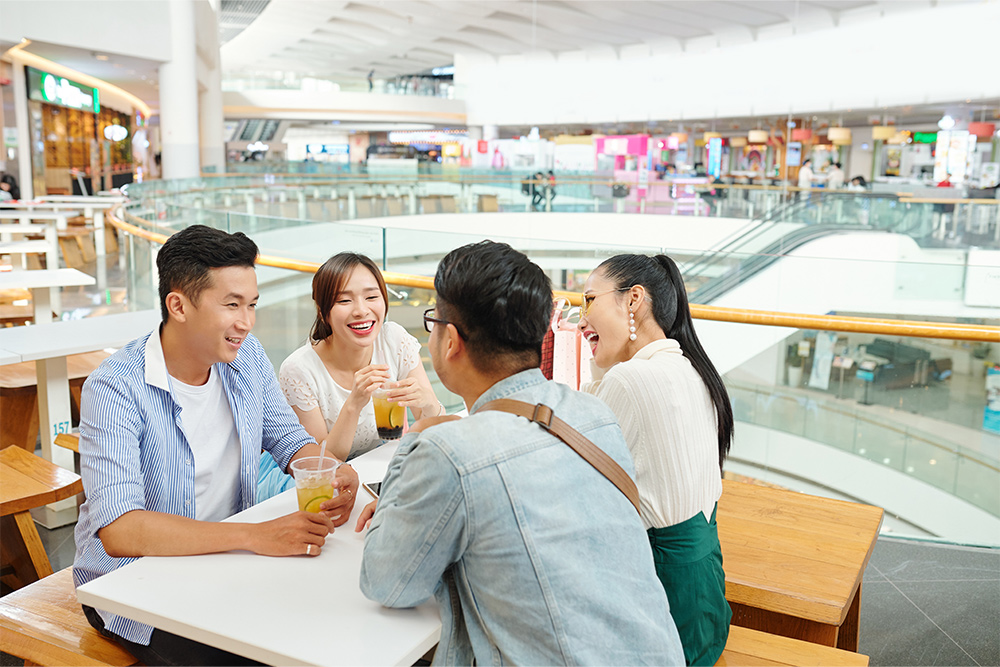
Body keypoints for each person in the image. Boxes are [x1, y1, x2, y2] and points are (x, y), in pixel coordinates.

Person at [356, 241, 684, 665]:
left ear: (451, 340)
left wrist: (414, 442)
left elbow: (386, 582)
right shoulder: (594, 414)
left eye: (433, 322)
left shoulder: (449, 451)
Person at [73, 225, 360, 666]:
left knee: (333, 624)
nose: (245, 321)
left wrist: (328, 467)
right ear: (178, 305)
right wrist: (255, 536)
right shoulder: (114, 389)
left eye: (251, 305)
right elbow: (120, 531)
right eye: (231, 305)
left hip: (230, 564)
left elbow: (287, 438)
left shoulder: (245, 357)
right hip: (136, 587)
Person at [578, 253, 734, 666]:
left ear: (633, 300)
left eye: (589, 300)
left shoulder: (632, 380)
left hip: (661, 620)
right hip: (706, 608)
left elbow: (574, 478)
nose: (580, 320)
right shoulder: (689, 368)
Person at [277, 252, 441, 464]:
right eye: (344, 300)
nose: (361, 311)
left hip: (385, 470)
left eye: (372, 297)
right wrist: (353, 405)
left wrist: (428, 403)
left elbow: (435, 428)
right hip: (332, 482)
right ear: (322, 311)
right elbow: (320, 464)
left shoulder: (394, 340)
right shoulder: (299, 369)